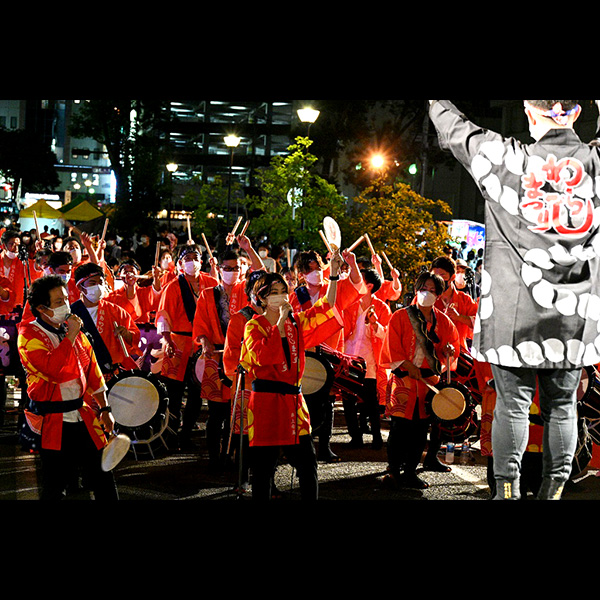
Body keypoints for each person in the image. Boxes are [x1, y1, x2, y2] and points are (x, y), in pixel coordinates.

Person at [428, 99, 600, 500]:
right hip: (572, 317)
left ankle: (507, 493)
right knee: (562, 405)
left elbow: (451, 123)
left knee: (512, 406)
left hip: (513, 314)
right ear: (576, 113)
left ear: (528, 111)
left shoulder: (505, 158)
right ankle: (553, 491)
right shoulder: (594, 164)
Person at [239, 253, 343, 501]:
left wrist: (335, 275)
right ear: (262, 298)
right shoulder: (254, 326)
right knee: (264, 468)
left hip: (294, 403)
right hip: (265, 403)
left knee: (308, 464)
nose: (281, 295)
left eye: (283, 290)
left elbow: (325, 306)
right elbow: (260, 358)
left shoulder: (296, 322)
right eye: (273, 291)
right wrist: (280, 322)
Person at [17, 275, 118, 500]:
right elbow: (54, 370)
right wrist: (71, 334)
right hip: (53, 421)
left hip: (83, 414)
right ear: (42, 308)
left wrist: (105, 409)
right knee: (55, 486)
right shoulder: (28, 335)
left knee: (104, 477)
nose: (66, 305)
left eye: (66, 299)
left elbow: (94, 373)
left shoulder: (73, 332)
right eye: (58, 302)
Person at [380, 271, 459, 490]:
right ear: (416, 289)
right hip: (404, 380)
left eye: (433, 290)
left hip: (428, 384)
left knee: (419, 430)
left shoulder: (444, 322)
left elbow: (451, 349)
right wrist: (406, 365)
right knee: (399, 428)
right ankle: (393, 470)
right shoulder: (400, 316)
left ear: (440, 295)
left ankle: (411, 472)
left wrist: (448, 350)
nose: (428, 293)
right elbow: (391, 346)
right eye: (424, 288)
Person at [192, 238, 263, 470]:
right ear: (219, 268)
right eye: (227, 268)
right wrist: (204, 342)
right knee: (216, 413)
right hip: (215, 358)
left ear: (241, 269)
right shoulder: (207, 294)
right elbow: (200, 326)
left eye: (235, 268)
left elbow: (262, 273)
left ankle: (235, 456)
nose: (231, 272)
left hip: (242, 360)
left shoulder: (247, 291)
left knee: (240, 413)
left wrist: (249, 249)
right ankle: (214, 457)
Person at [291, 248, 366, 462]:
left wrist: (351, 263)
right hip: (305, 354)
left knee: (328, 401)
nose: (315, 273)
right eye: (309, 270)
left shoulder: (332, 288)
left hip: (329, 352)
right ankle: (301, 445)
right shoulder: (295, 296)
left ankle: (325, 446)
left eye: (317, 268)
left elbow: (356, 285)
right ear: (301, 274)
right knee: (303, 400)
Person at [156, 244, 218, 448]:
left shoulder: (210, 283)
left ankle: (187, 434)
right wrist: (167, 340)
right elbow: (163, 316)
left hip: (203, 344)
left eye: (196, 257)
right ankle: (171, 434)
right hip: (178, 343)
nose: (193, 261)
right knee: (173, 394)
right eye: (188, 257)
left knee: (196, 393)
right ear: (180, 262)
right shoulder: (173, 286)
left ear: (202, 261)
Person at [342, 267, 392, 450]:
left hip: (370, 362)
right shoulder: (349, 304)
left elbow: (387, 335)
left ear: (369, 286)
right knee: (348, 400)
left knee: (371, 401)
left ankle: (377, 436)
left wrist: (375, 323)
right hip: (348, 358)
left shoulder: (382, 307)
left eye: (359, 279)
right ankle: (355, 437)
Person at [70, 262, 141, 377]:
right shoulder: (71, 313)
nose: (98, 286)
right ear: (80, 287)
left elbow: (134, 338)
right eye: (93, 283)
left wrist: (126, 334)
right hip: (82, 374)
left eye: (101, 282)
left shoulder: (115, 311)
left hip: (111, 373)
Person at [107, 259, 161, 324]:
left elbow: (156, 292)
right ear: (119, 275)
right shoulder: (113, 296)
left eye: (132, 271)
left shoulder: (144, 292)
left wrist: (156, 277)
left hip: (142, 331)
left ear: (138, 273)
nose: (129, 274)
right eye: (126, 272)